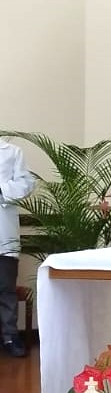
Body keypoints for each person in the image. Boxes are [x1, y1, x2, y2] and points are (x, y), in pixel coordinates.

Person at [0, 137, 36, 358]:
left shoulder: (12, 151)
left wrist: (1, 188)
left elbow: (27, 183)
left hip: (3, 233)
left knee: (5, 290)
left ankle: (10, 337)